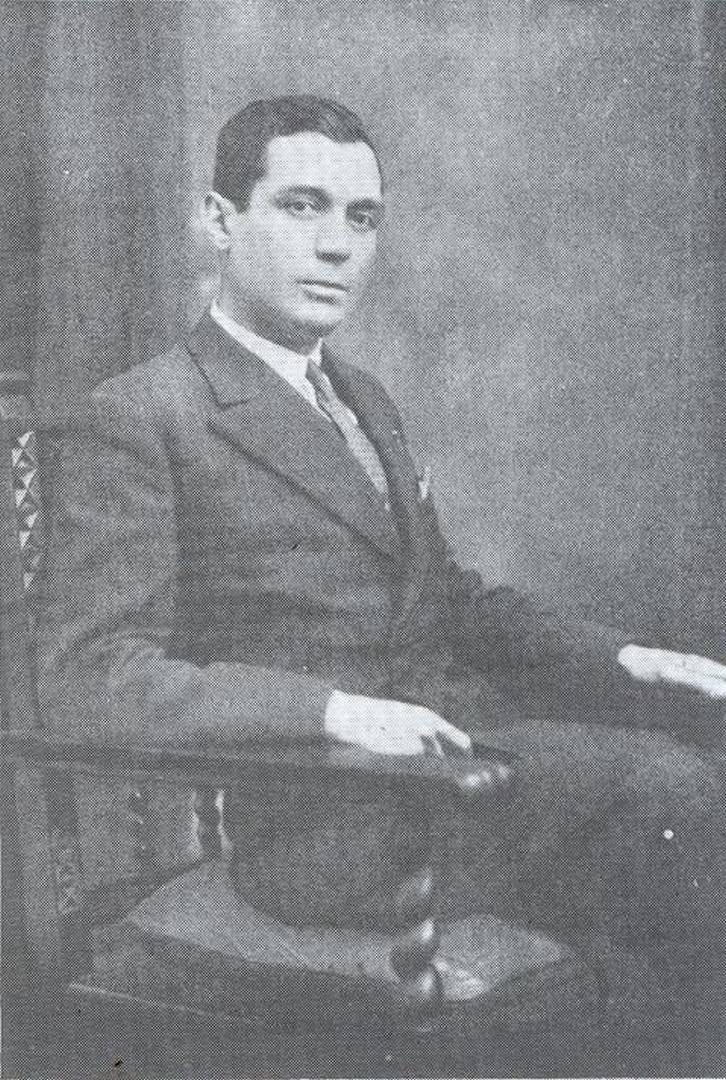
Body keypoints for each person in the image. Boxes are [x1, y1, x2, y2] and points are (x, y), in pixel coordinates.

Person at [38, 95, 724, 1023]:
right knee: (669, 794)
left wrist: (624, 658)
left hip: (455, 781)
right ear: (219, 220)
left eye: (362, 219)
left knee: (682, 780)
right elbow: (93, 678)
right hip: (328, 820)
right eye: (302, 207)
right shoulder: (144, 414)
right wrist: (334, 710)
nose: (337, 247)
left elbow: (449, 603)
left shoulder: (362, 400)